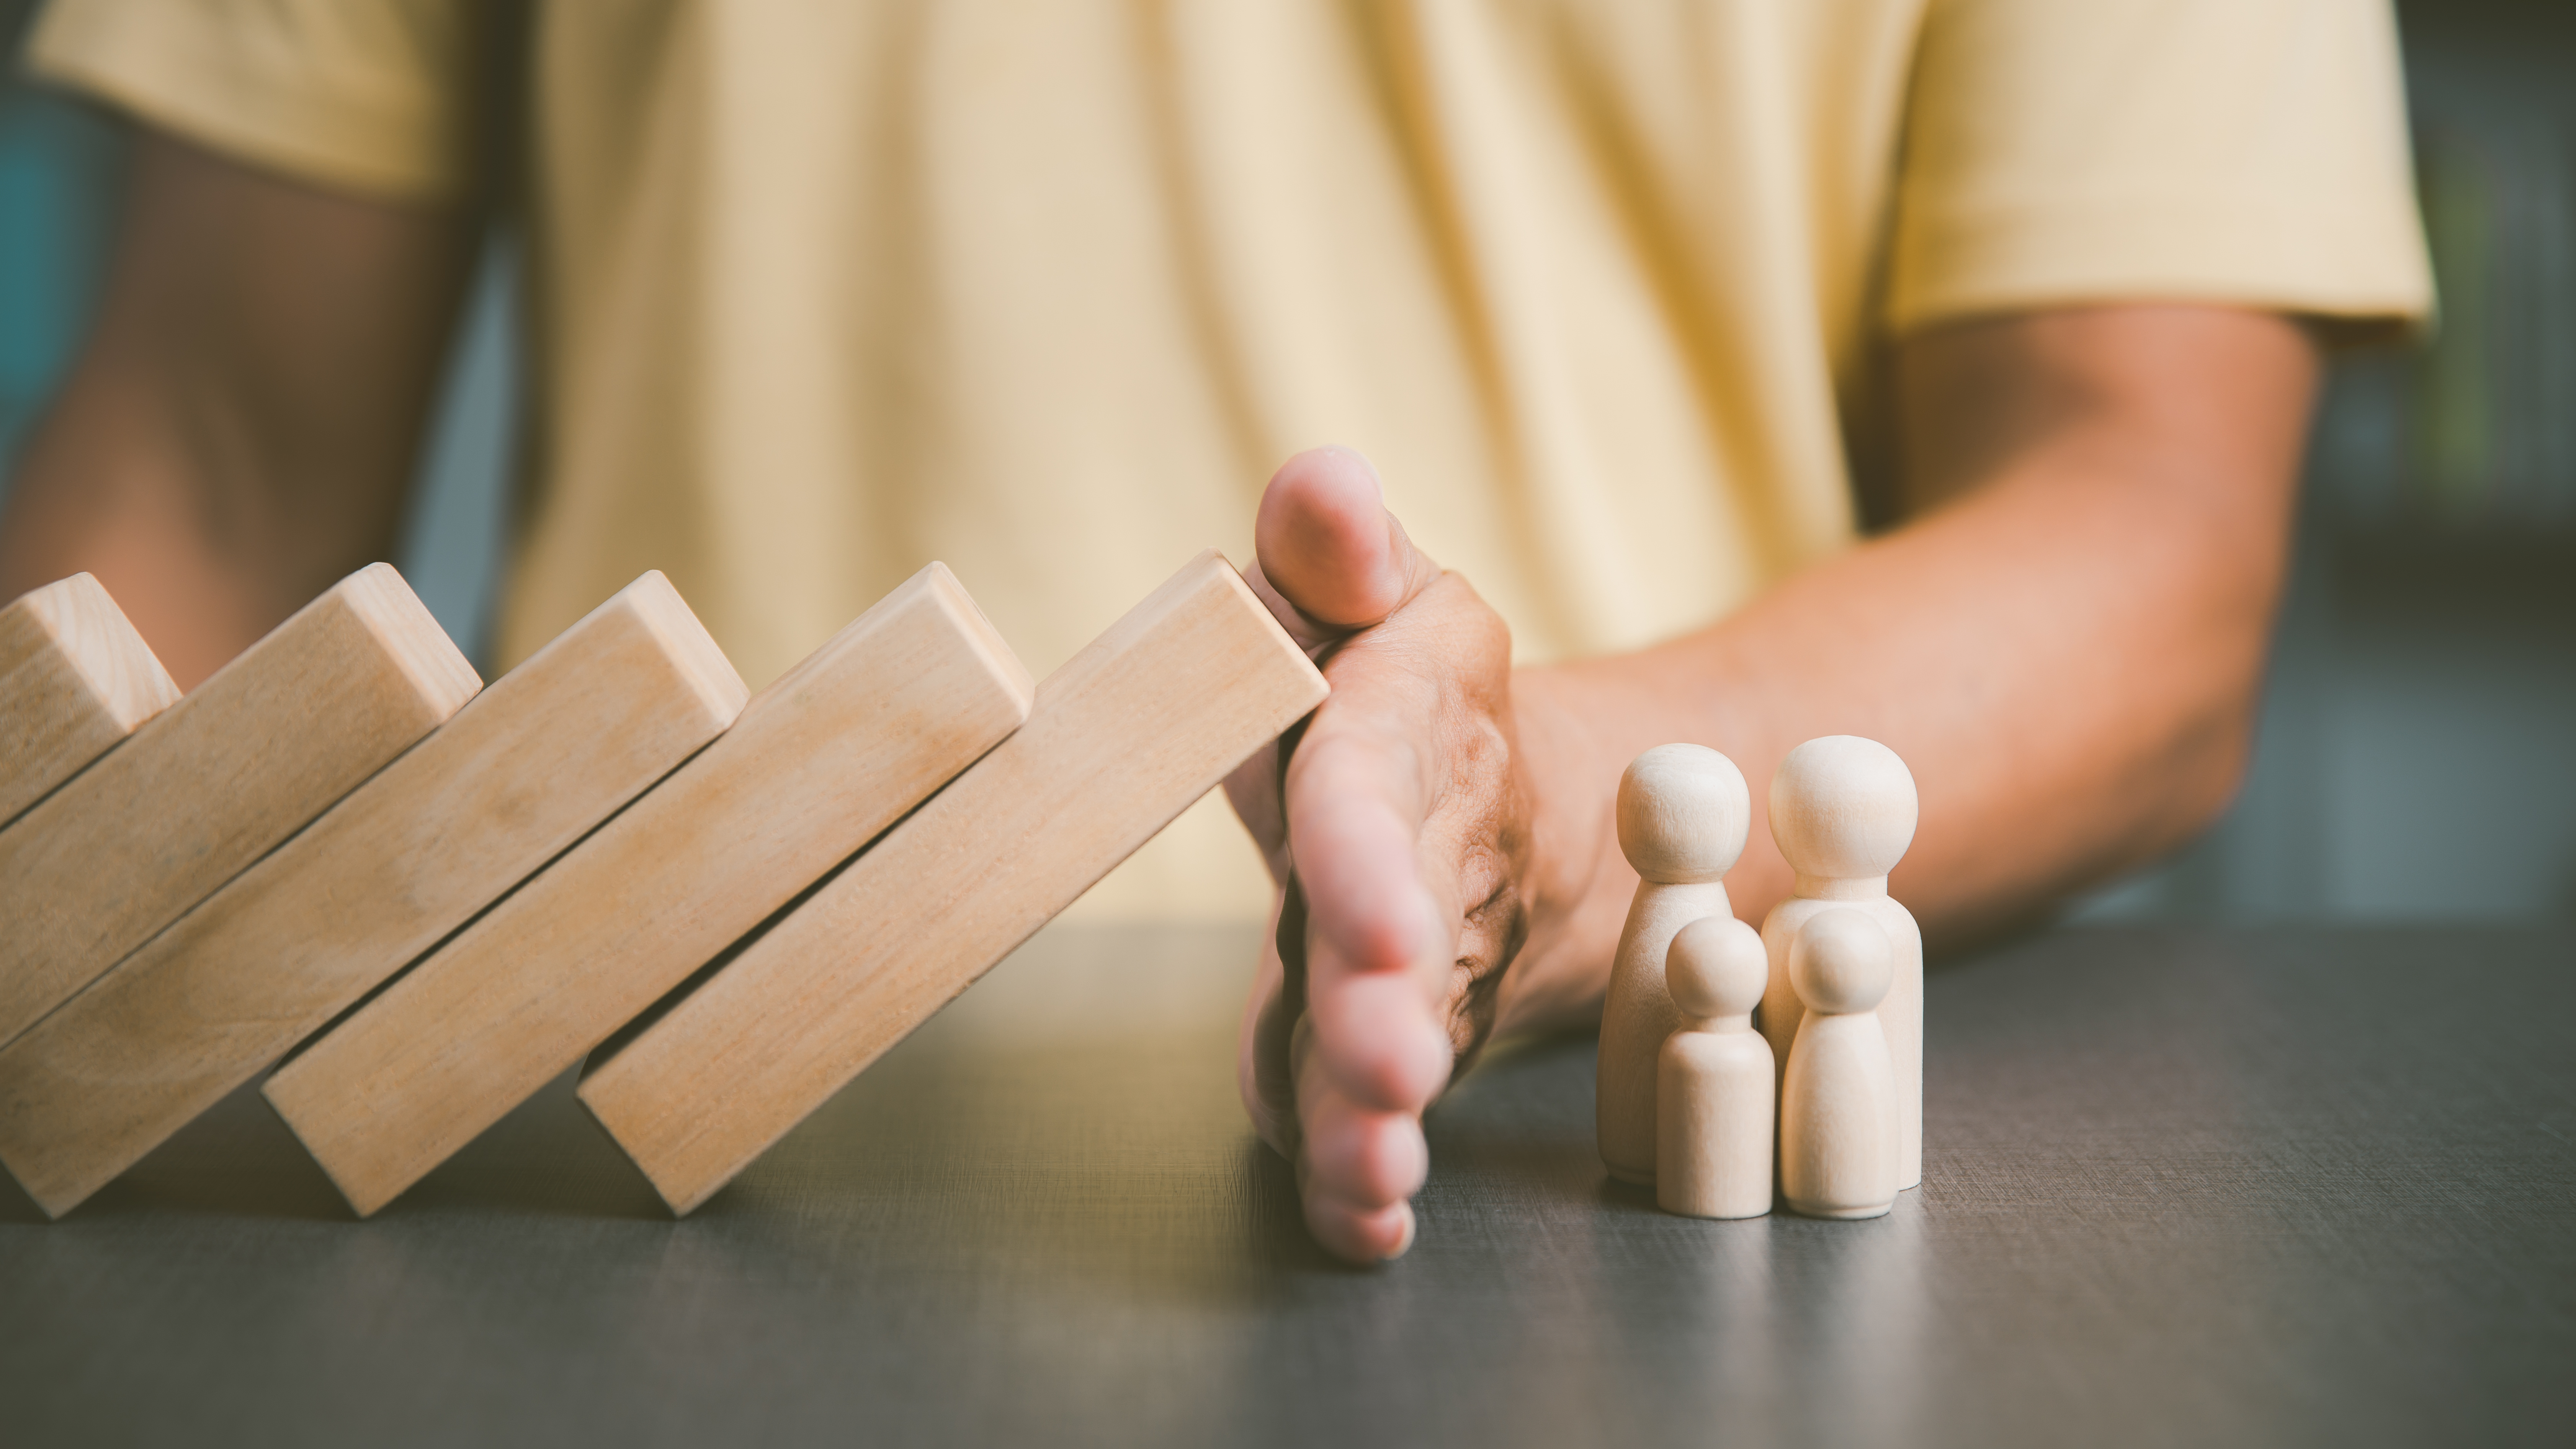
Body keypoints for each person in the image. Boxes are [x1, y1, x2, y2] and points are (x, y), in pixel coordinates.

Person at [0, 0, 2429, 1262]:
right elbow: (207, 458)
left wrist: (1553, 823)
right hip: (565, 1162)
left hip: (1554, 1195)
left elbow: (2144, 514)